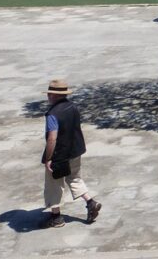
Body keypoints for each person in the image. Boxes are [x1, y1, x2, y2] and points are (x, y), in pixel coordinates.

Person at [41, 79, 101, 228]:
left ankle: (56, 217)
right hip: (75, 151)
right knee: (74, 178)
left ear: (53, 95)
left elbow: (52, 138)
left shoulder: (52, 114)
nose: (48, 96)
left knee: (54, 184)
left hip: (59, 155)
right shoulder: (73, 107)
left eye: (49, 94)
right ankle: (90, 202)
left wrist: (48, 158)